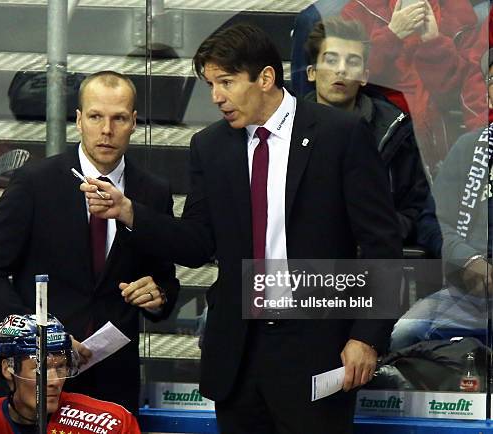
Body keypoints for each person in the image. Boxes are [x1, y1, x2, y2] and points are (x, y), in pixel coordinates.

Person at [83, 23, 402, 434]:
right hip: (238, 354)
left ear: (265, 78)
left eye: (227, 82)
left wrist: (368, 337)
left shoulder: (340, 136)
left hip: (318, 349)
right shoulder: (210, 146)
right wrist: (130, 212)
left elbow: (381, 244)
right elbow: (198, 243)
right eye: (211, 84)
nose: (216, 96)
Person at [0, 70, 180, 414]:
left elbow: (165, 280)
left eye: (119, 118)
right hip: (32, 379)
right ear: (79, 120)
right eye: (96, 116)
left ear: (134, 122)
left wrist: (158, 296)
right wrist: (39, 336)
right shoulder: (34, 183)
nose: (107, 130)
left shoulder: (153, 191)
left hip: (111, 386)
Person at [390, 48, 493, 351]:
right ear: (488, 96)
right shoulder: (468, 148)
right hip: (471, 293)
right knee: (403, 334)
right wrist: (470, 261)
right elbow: (433, 221)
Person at [303, 17, 430, 245]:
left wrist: (377, 231)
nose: (341, 70)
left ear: (364, 76)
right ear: (311, 72)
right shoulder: (287, 129)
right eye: (331, 60)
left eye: (352, 62)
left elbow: (414, 209)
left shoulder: (396, 132)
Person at [341, 0, 479, 172]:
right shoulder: (360, 9)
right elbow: (345, 78)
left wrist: (433, 42)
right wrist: (391, 35)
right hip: (377, 134)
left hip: (437, 142)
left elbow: (456, 95)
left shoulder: (459, 13)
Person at [0, 313, 141, 434]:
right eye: (41, 369)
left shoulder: (110, 424)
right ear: (8, 369)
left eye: (61, 367)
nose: (55, 381)